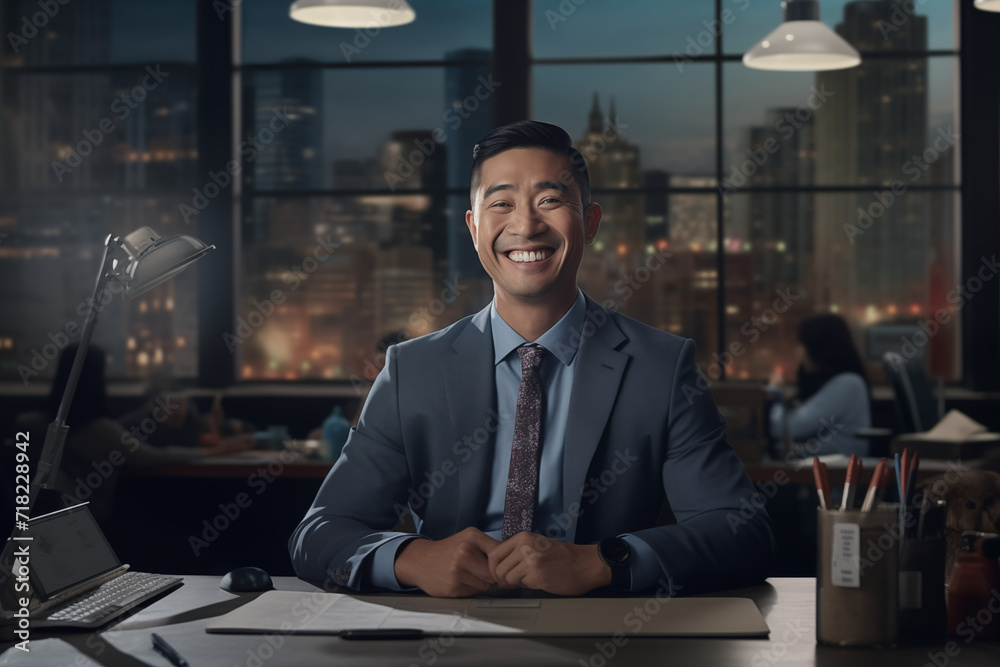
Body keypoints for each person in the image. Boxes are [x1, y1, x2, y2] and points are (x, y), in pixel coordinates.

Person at [289, 121, 774, 597]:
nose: (525, 225)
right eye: (501, 204)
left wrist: (600, 562)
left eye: (550, 201)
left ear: (590, 222)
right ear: (473, 227)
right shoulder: (411, 371)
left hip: (600, 630)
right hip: (448, 628)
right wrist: (412, 560)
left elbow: (742, 533)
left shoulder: (661, 367)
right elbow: (318, 535)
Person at [14, 344, 252, 522]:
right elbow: (156, 457)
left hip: (35, 520)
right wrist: (216, 450)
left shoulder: (27, 424)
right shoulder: (101, 430)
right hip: (89, 523)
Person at [767, 314, 872, 457]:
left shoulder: (848, 384)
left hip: (839, 466)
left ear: (819, 348)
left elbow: (783, 429)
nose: (799, 352)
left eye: (803, 345)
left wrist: (775, 392)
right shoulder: (833, 383)